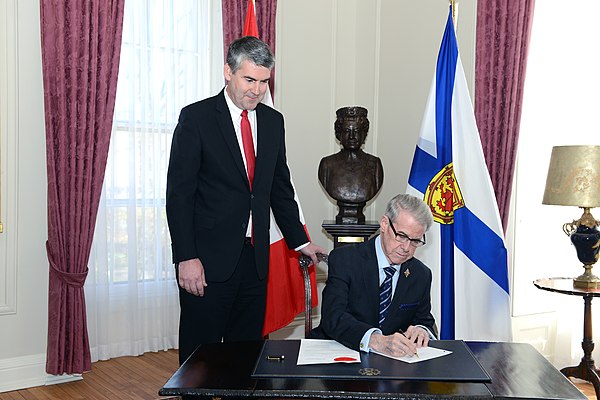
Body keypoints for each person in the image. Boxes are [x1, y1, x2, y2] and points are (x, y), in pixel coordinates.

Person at [166, 36, 325, 365]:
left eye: (264, 81)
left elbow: (278, 188)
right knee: (201, 358)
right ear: (228, 72)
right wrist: (187, 258)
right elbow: (179, 196)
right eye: (249, 79)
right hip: (207, 261)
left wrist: (299, 242)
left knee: (247, 354)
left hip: (256, 261)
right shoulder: (196, 118)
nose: (257, 90)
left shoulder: (272, 122)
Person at [311, 194, 437, 358]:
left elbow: (425, 320)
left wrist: (421, 330)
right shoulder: (345, 260)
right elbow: (333, 317)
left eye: (415, 241)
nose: (406, 247)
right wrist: (375, 340)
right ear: (384, 224)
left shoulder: (421, 274)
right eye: (401, 236)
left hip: (393, 365)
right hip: (340, 355)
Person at [318, 106, 383, 224]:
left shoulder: (375, 165)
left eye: (356, 131)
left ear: (364, 134)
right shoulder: (327, 165)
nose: (352, 136)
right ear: (339, 135)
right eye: (347, 131)